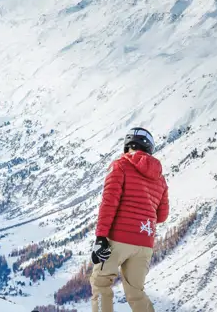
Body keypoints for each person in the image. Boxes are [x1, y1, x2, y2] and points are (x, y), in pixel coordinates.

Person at [89, 127, 169, 312]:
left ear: (127, 146)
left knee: (101, 283)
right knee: (136, 292)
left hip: (117, 240)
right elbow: (162, 215)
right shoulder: (160, 179)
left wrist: (101, 238)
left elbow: (109, 203)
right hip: (144, 244)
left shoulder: (120, 166)